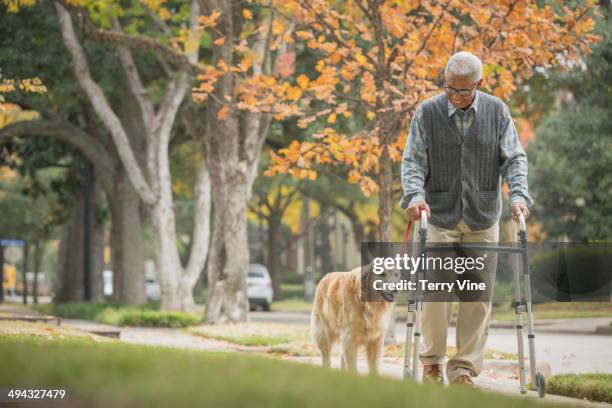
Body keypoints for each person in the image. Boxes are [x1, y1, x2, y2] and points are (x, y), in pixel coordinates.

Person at [399, 51, 533, 386]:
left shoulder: (497, 110)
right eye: (449, 89)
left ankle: (463, 370)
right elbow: (412, 161)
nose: (455, 97)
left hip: (482, 217)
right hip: (439, 218)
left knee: (476, 297)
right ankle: (432, 364)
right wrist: (415, 197)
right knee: (436, 295)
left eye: (463, 91)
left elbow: (514, 158)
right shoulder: (427, 112)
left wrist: (518, 195)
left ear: (479, 84)